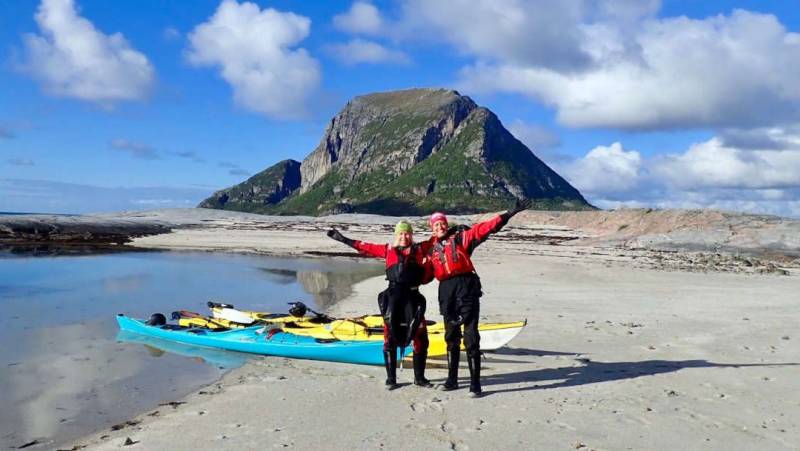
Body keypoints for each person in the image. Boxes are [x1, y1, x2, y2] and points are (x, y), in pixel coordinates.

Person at [426, 198, 531, 397]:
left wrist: (510, 213)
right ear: (432, 229)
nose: (439, 226)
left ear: (446, 225)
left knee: (471, 335)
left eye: (442, 223)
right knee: (451, 336)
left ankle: (475, 384)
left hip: (466, 287)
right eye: (436, 224)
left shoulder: (462, 238)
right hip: (446, 291)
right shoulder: (429, 248)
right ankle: (452, 380)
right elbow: (414, 263)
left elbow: (486, 228)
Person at [327, 221, 434, 390]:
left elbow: (437, 238)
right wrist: (343, 239)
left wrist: (452, 231)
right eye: (401, 233)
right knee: (389, 337)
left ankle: (419, 378)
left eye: (407, 234)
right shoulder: (387, 250)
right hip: (393, 299)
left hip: (413, 299)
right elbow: (364, 247)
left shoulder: (420, 249)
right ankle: (391, 378)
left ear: (411, 235)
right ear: (396, 235)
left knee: (420, 338)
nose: (404, 237)